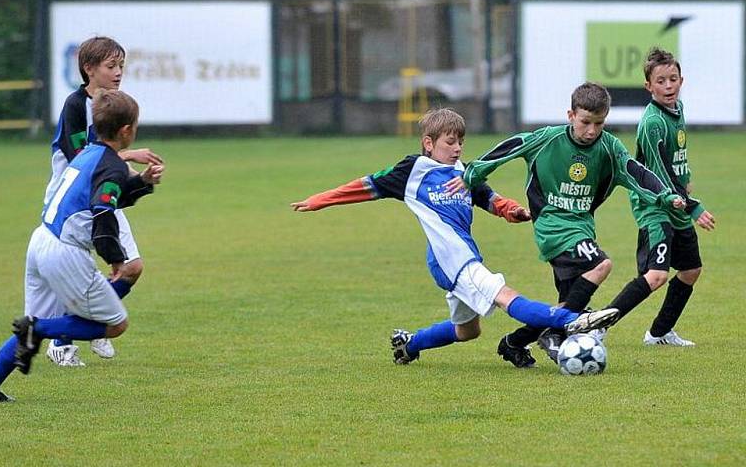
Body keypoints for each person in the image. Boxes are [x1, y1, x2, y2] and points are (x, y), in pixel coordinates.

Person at [291, 108, 620, 366]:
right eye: (450, 143)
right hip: (452, 257)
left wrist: (511, 210)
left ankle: (410, 344)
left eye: (461, 142)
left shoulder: (462, 172)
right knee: (505, 295)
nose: (458, 148)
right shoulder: (413, 171)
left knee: (468, 331)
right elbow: (366, 185)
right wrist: (320, 200)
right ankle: (576, 319)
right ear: (429, 143)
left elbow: (486, 196)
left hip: (460, 255)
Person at [461, 82, 687, 367]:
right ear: (570, 115)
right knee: (600, 265)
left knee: (569, 308)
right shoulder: (548, 139)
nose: (592, 130)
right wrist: (474, 172)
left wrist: (665, 195)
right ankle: (555, 334)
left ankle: (515, 342)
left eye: (599, 123)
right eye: (585, 122)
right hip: (552, 226)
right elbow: (513, 146)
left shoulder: (609, 147)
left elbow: (635, 172)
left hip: (582, 227)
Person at [0, 89, 163, 402]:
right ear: (127, 130)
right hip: (65, 252)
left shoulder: (90, 152)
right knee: (115, 324)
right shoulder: (110, 165)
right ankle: (41, 330)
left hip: (41, 240)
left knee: (35, 324)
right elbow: (102, 210)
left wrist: (142, 182)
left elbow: (105, 196)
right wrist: (114, 258)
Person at [44, 36, 163, 366]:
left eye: (121, 65)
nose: (118, 72)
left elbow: (106, 164)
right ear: (88, 69)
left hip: (103, 197)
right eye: (111, 66)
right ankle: (60, 339)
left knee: (132, 267)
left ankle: (93, 327)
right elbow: (79, 159)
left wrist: (137, 179)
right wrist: (128, 155)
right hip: (72, 205)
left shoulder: (113, 105)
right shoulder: (74, 105)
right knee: (80, 275)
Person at [604, 48, 715, 346]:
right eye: (661, 81)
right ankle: (597, 326)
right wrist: (693, 207)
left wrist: (686, 181)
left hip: (676, 200)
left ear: (682, 80)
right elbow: (659, 174)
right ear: (648, 86)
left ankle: (659, 333)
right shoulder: (652, 123)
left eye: (673, 79)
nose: (668, 86)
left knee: (691, 270)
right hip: (655, 205)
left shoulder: (678, 109)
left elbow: (676, 157)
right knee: (656, 275)